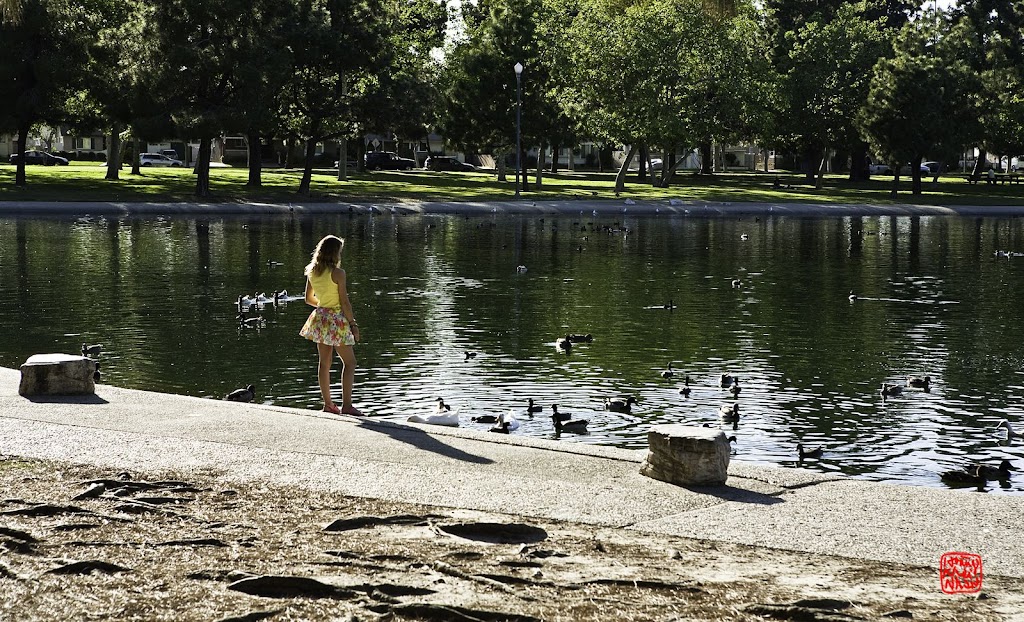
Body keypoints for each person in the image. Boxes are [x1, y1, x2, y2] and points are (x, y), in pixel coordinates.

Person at [299, 235, 362, 416]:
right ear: (335, 253)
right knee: (350, 362)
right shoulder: (338, 273)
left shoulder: (312, 271)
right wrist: (353, 324)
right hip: (337, 320)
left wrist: (323, 307)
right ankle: (347, 405)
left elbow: (308, 299)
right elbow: (345, 302)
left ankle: (328, 404)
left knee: (324, 364)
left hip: (320, 318)